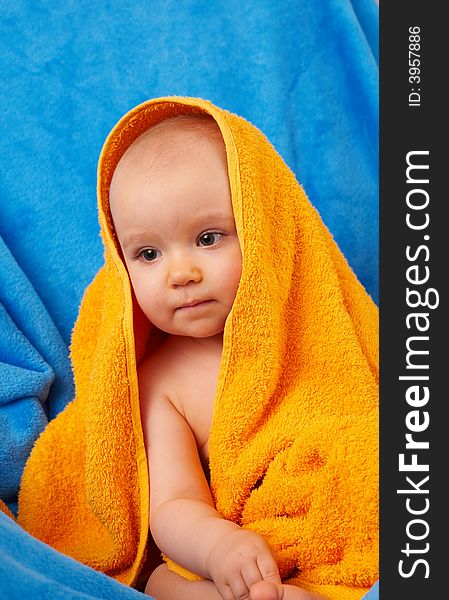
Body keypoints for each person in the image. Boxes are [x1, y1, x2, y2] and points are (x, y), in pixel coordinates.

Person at [109, 113, 324, 600]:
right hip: (227, 545)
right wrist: (220, 546)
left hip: (321, 517)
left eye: (208, 238)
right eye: (148, 254)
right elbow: (175, 503)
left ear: (262, 227)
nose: (180, 273)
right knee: (164, 579)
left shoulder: (314, 324)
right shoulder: (161, 383)